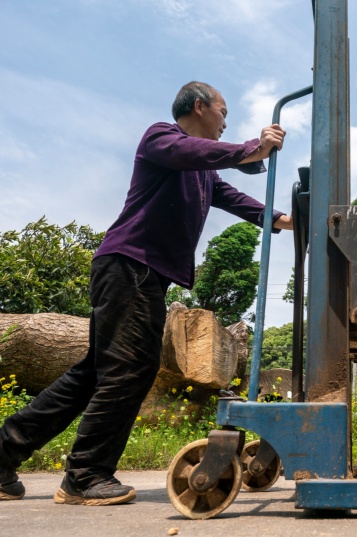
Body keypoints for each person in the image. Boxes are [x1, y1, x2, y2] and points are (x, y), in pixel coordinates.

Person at [0, 81, 292, 505]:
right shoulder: (162, 138)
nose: (226, 121)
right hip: (128, 266)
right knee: (131, 368)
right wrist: (252, 147)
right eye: (223, 111)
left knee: (94, 374)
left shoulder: (204, 174)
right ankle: (84, 476)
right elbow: (194, 152)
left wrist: (292, 220)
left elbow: (245, 203)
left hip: (139, 274)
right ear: (199, 106)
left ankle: (5, 453)